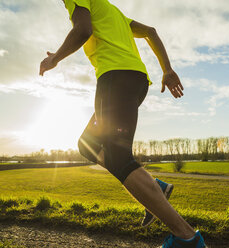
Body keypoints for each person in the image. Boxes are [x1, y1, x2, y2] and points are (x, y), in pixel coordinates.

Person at [39, 0, 206, 247]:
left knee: (118, 157)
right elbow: (151, 32)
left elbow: (82, 30)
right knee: (88, 144)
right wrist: (167, 69)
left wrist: (56, 59)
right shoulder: (112, 11)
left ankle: (186, 237)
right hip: (136, 81)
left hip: (116, 78)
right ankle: (155, 189)